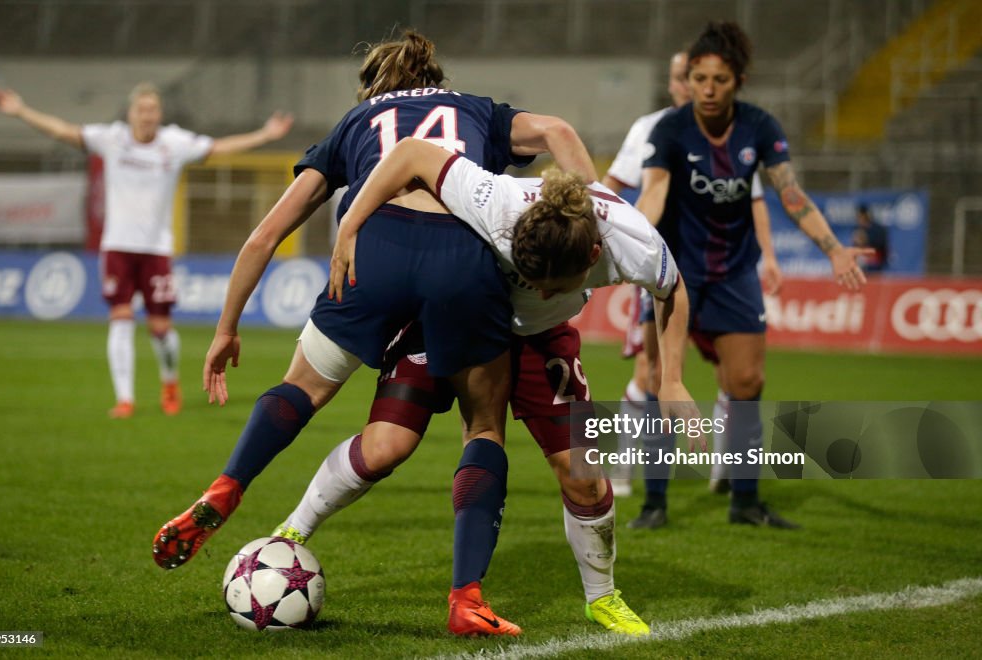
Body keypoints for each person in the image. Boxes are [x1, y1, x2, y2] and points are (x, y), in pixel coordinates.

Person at [151, 30, 596, 637]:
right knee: (484, 428)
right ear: (437, 76)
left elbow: (264, 235)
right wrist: (594, 210)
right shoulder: (479, 111)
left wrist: (226, 328)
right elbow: (557, 133)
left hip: (370, 251)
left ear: (373, 88)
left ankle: (229, 486)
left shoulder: (355, 122)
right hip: (461, 263)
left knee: (302, 389)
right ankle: (466, 599)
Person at [271, 135, 699, 637]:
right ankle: (290, 531)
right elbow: (411, 153)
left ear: (595, 254)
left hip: (542, 338)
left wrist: (672, 379)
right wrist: (350, 222)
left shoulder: (637, 242)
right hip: (461, 314)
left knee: (584, 475)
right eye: (531, 276)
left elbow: (673, 291)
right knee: (385, 447)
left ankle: (602, 598)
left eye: (551, 286)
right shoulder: (496, 199)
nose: (539, 290)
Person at [630, 21, 872, 530]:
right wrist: (627, 243)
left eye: (719, 79)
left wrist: (832, 249)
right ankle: (654, 503)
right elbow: (651, 195)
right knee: (657, 380)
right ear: (689, 80)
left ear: (738, 80)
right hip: (676, 275)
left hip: (735, 273)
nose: (708, 89)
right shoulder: (669, 131)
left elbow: (791, 195)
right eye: (699, 78)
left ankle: (745, 501)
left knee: (746, 380)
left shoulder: (759, 128)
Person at [0, 84, 294, 418]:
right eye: (142, 110)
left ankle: (169, 383)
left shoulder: (174, 144)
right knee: (120, 319)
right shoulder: (112, 139)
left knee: (160, 328)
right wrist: (21, 111)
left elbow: (219, 147)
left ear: (159, 114)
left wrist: (265, 135)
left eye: (153, 110)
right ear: (131, 113)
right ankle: (125, 399)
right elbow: (64, 131)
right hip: (117, 246)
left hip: (156, 249)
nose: (147, 116)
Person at [601, 52, 782, 503]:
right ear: (675, 82)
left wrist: (771, 256)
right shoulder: (650, 127)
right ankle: (624, 470)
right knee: (651, 370)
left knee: (734, 376)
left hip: (723, 274)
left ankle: (726, 471)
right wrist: (613, 240)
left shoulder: (731, 131)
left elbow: (753, 198)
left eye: (699, 77)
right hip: (666, 268)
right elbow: (614, 186)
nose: (691, 86)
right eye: (684, 77)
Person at [853, 203, 888, 272]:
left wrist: (866, 240)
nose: (859, 219)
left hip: (876, 261)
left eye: (860, 216)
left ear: (865, 215)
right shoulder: (857, 229)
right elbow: (856, 246)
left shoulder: (878, 229)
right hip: (862, 260)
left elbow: (882, 245)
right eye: (858, 217)